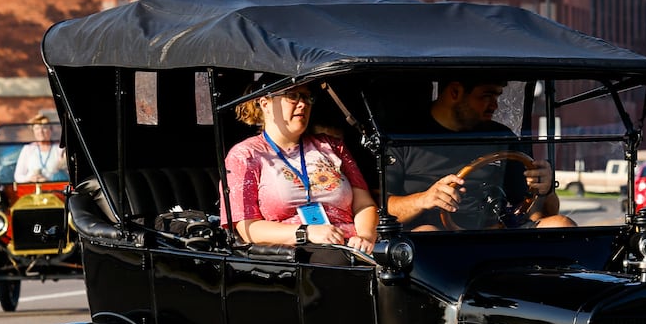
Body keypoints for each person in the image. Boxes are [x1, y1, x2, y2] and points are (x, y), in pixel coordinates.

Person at [385, 78, 574, 230]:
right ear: (455, 92)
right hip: (435, 247)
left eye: (497, 96)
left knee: (561, 225)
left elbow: (538, 213)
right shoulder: (402, 136)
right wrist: (424, 199)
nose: (495, 105)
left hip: (494, 233)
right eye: (487, 95)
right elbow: (382, 209)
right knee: (427, 233)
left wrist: (545, 190)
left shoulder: (502, 137)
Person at [222, 81, 377, 253]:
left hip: (351, 247)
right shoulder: (245, 155)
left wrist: (366, 237)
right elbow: (248, 228)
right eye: (292, 96)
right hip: (297, 254)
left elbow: (364, 203)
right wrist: (306, 232)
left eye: (306, 97)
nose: (303, 104)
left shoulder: (332, 146)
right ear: (266, 104)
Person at [13, 114, 66, 182]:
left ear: (50, 130)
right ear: (33, 131)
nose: (40, 131)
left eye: (44, 128)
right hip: (33, 188)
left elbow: (68, 174)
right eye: (37, 128)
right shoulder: (28, 149)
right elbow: (18, 176)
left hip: (54, 188)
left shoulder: (59, 148)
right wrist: (30, 178)